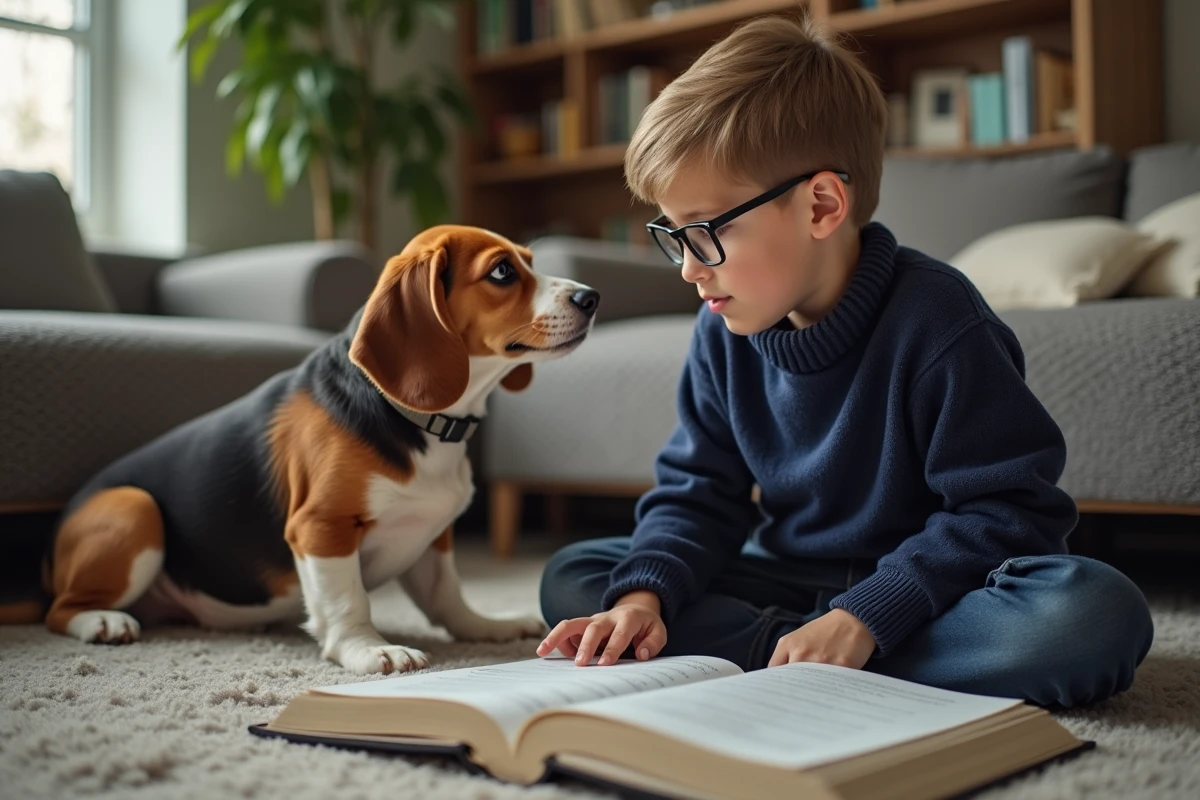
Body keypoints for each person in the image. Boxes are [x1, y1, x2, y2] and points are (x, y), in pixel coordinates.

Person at [534, 12, 1153, 708]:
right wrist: (643, 600)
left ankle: (811, 650)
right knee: (579, 578)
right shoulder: (721, 330)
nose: (687, 269)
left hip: (933, 588)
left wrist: (867, 614)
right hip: (790, 576)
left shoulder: (940, 320)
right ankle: (806, 650)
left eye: (705, 232)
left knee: (1092, 614)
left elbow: (1010, 511)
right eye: (672, 235)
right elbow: (698, 494)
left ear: (822, 205)